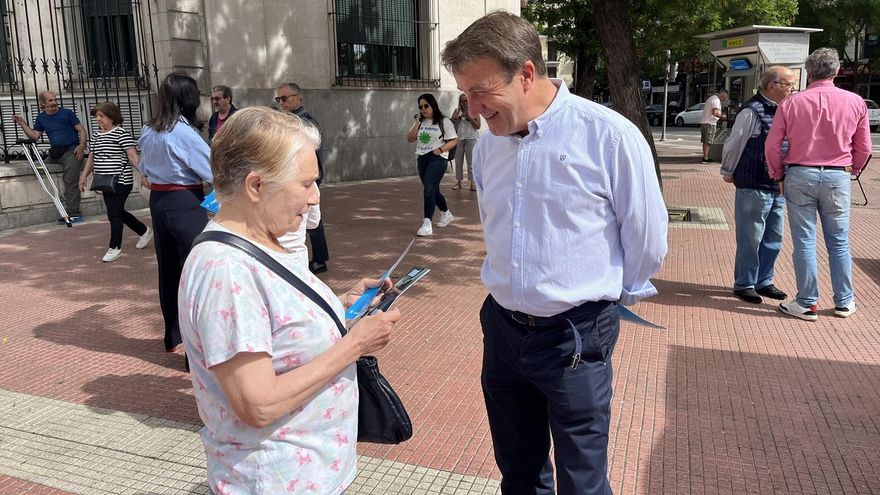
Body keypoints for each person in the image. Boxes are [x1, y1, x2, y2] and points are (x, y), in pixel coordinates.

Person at [441, 11, 667, 494]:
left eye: (481, 91)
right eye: (466, 93)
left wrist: (606, 300)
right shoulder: (488, 147)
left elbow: (646, 237)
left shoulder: (608, 136)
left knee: (582, 478)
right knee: (518, 470)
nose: (474, 107)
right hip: (502, 328)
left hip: (575, 333)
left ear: (525, 73)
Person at [179, 106, 401, 494]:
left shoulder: (262, 242)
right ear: (256, 186)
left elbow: (278, 326)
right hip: (277, 479)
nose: (315, 198)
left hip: (309, 473)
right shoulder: (227, 270)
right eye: (306, 183)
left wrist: (342, 306)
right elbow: (257, 405)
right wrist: (356, 345)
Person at [766, 48, 871, 321]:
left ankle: (806, 301)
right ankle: (845, 301)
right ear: (836, 72)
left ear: (809, 72)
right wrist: (853, 170)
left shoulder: (790, 103)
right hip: (838, 175)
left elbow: (772, 144)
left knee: (804, 241)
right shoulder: (856, 102)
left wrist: (778, 175)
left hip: (800, 174)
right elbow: (864, 147)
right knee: (838, 242)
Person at [139, 73, 212, 353]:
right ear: (188, 98)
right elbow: (212, 171)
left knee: (168, 269)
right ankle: (196, 347)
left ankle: (173, 336)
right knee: (193, 271)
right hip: (185, 200)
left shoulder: (149, 130)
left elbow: (144, 170)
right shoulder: (183, 133)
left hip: (159, 200)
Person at [720, 66, 797, 305]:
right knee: (751, 237)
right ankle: (745, 283)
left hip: (776, 183)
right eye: (788, 84)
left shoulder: (783, 109)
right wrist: (728, 170)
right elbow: (735, 143)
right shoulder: (751, 111)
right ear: (771, 86)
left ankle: (764, 280)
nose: (792, 89)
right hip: (753, 182)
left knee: (774, 237)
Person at [78, 102, 153, 262]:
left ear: (112, 117)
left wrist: (144, 174)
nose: (98, 119)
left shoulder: (121, 134)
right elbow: (92, 157)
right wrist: (84, 176)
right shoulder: (97, 135)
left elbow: (133, 156)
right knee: (117, 212)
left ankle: (114, 247)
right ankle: (144, 231)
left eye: (101, 116)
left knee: (114, 213)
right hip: (104, 181)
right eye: (96, 116)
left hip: (121, 180)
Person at [275, 82, 331, 275]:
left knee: (312, 218)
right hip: (298, 177)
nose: (281, 102)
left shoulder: (304, 121)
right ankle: (318, 258)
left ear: (298, 98)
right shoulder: (292, 120)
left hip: (307, 177)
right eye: (278, 99)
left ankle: (319, 259)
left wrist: (310, 179)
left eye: (284, 98)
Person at [14, 91, 88, 222]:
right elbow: (35, 135)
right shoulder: (41, 118)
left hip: (72, 150)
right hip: (55, 152)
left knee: (70, 178)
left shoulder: (67, 113)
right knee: (38, 169)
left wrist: (81, 145)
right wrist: (22, 123)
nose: (54, 102)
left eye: (55, 99)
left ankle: (74, 212)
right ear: (43, 103)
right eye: (50, 100)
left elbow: (81, 130)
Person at [406, 93, 457, 237]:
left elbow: (454, 140)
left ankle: (427, 224)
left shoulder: (444, 121)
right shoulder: (420, 122)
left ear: (433, 105)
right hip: (422, 158)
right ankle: (446, 214)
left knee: (428, 189)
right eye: (420, 107)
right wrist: (417, 123)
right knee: (433, 190)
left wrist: (440, 150)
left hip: (438, 158)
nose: (423, 109)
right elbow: (410, 139)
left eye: (426, 106)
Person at [450, 93, 481, 191]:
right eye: (463, 101)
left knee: (471, 161)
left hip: (471, 138)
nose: (465, 103)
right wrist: (460, 116)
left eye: (466, 101)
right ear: (460, 102)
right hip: (459, 138)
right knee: (458, 161)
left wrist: (470, 118)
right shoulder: (457, 111)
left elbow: (478, 126)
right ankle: (458, 183)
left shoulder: (474, 110)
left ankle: (473, 183)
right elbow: (452, 124)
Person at [700, 88, 728, 163]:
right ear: (722, 95)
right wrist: (724, 116)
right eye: (724, 98)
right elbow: (715, 112)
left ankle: (705, 157)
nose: (724, 100)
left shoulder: (711, 98)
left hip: (704, 122)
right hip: (710, 123)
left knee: (705, 141)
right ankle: (705, 158)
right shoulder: (716, 100)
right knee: (708, 141)